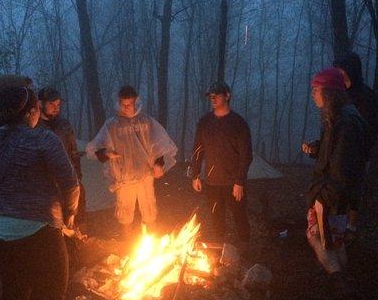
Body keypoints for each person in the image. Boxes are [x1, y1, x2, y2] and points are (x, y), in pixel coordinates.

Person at [0, 85, 80, 300]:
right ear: (31, 111)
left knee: (13, 297)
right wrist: (70, 214)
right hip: (39, 232)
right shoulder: (43, 139)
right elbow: (71, 184)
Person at [304, 68, 367, 297]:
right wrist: (317, 149)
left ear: (329, 92)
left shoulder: (347, 122)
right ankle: (344, 281)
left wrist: (323, 199)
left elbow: (343, 168)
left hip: (332, 196)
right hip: (336, 195)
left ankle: (340, 285)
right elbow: (336, 154)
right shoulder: (339, 117)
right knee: (336, 242)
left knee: (317, 237)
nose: (313, 94)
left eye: (316, 89)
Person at [86, 85, 177, 239]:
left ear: (136, 102)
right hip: (124, 177)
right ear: (119, 103)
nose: (126, 107)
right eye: (123, 104)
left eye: (130, 103)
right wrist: (106, 153)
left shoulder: (146, 122)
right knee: (125, 214)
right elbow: (94, 148)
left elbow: (158, 144)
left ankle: (153, 245)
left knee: (149, 211)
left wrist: (159, 163)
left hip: (145, 174)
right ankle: (127, 246)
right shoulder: (112, 125)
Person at [191, 82, 253, 246]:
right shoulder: (205, 122)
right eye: (211, 95)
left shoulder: (238, 123)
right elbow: (198, 149)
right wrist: (195, 174)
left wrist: (240, 181)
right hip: (212, 182)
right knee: (216, 217)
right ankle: (219, 249)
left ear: (227, 95)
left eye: (216, 95)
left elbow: (246, 155)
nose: (213, 98)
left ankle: (245, 248)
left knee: (239, 215)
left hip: (233, 182)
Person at [333, 52, 378, 236]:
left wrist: (363, 151)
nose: (339, 73)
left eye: (341, 69)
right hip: (339, 152)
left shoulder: (366, 96)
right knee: (339, 189)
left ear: (351, 70)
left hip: (357, 152)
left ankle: (351, 228)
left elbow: (371, 127)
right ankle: (337, 228)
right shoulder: (341, 95)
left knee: (354, 189)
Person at [38, 87, 86, 230]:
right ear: (40, 104)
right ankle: (61, 246)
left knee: (78, 215)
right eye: (51, 104)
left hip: (70, 179)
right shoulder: (34, 127)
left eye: (58, 105)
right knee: (56, 222)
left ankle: (80, 242)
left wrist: (78, 175)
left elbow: (73, 151)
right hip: (48, 184)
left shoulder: (64, 124)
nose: (56, 108)